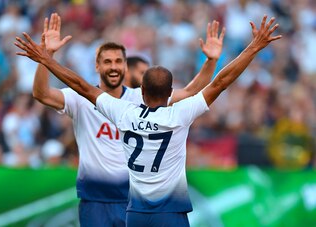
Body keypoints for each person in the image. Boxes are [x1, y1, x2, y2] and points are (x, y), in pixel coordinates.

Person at [15, 15, 281, 226]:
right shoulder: (179, 115)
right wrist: (254, 47)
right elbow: (220, 83)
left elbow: (82, 85)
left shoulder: (124, 112)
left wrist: (46, 59)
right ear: (170, 95)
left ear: (141, 91)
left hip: (135, 210)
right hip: (168, 210)